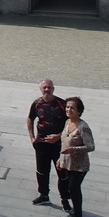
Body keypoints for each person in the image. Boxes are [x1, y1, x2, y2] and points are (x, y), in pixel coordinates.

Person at [26, 79, 70, 209]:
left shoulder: (62, 104)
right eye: (44, 88)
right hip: (41, 144)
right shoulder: (37, 103)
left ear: (53, 89)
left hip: (59, 146)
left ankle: (65, 199)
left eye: (49, 87)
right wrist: (32, 138)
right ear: (40, 89)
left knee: (62, 173)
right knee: (41, 171)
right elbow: (30, 119)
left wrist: (59, 136)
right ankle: (44, 195)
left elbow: (70, 124)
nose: (47, 90)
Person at [56, 96, 94, 217]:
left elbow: (91, 146)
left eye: (72, 108)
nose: (68, 109)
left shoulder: (83, 127)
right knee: (71, 189)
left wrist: (74, 149)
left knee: (74, 189)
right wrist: (60, 160)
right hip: (67, 163)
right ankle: (74, 213)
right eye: (67, 107)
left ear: (79, 111)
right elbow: (64, 141)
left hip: (79, 165)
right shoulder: (67, 122)